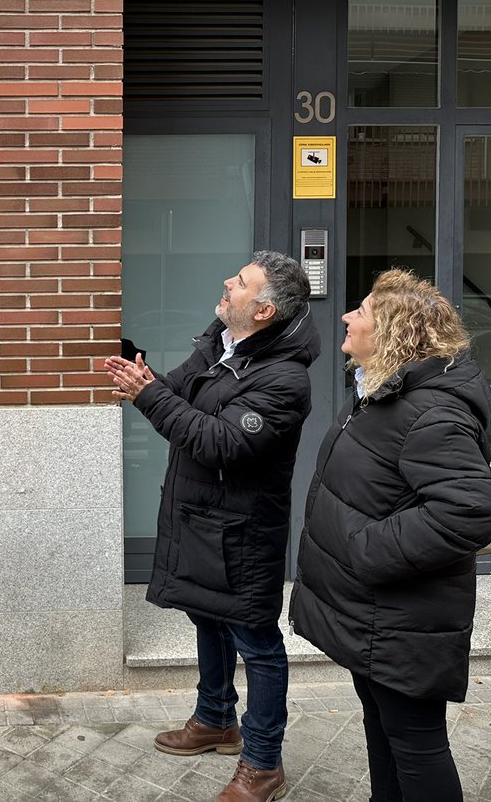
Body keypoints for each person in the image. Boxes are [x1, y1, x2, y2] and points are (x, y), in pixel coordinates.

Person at [105, 251, 319, 802]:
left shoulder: (285, 380)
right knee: (206, 617)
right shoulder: (223, 345)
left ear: (264, 310)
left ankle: (262, 761)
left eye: (241, 282)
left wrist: (147, 394)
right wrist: (145, 379)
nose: (228, 282)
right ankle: (215, 719)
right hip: (200, 517)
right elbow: (175, 392)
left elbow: (220, 441)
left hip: (243, 533)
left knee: (257, 642)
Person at [289, 269, 491, 802]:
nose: (344, 316)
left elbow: (470, 511)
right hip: (376, 614)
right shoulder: (382, 393)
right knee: (384, 730)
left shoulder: (431, 413)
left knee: (416, 744)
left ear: (391, 332)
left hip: (404, 621)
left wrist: (365, 549)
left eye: (359, 311)